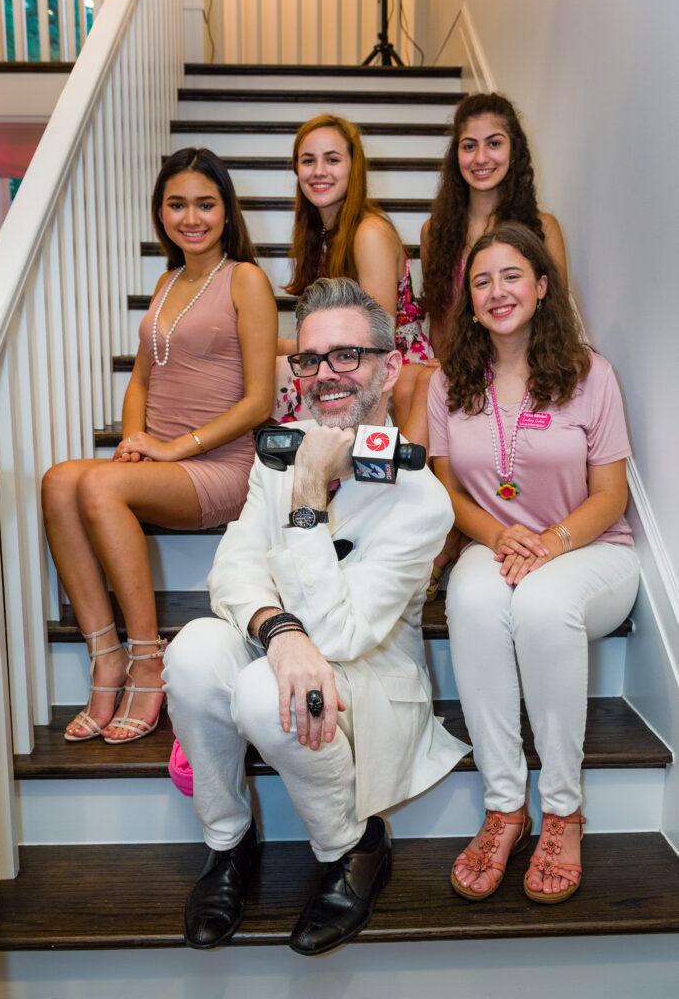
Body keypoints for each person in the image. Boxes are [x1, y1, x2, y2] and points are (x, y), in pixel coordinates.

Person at [164, 276, 469, 954]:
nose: (325, 374)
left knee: (263, 689)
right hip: (283, 645)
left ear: (390, 367)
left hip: (367, 674)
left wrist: (307, 496)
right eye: (309, 358)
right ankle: (228, 843)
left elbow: (339, 635)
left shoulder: (422, 501)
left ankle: (352, 845)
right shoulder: (280, 450)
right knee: (191, 651)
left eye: (347, 356)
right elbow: (232, 570)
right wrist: (278, 632)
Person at [427, 222, 639, 903]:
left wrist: (550, 544)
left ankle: (564, 810)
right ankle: (505, 808)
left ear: (543, 287)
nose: (497, 291)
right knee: (471, 599)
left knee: (544, 606)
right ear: (469, 300)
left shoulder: (590, 374)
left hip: (591, 552)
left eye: (512, 276)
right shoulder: (448, 381)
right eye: (482, 281)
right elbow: (445, 490)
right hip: (495, 547)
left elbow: (611, 496)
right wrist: (499, 536)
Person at [41, 147, 278, 744]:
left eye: (205, 204)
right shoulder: (167, 281)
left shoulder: (245, 280)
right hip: (164, 459)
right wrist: (133, 441)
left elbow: (259, 403)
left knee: (96, 485)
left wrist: (176, 448)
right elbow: (142, 381)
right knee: (58, 481)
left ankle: (148, 663)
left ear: (227, 211)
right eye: (177, 204)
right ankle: (107, 658)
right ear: (160, 211)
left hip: (221, 465)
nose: (190, 218)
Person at [405, 92, 569, 596]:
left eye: (494, 143)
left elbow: (556, 317)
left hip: (520, 368)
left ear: (514, 150)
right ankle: (432, 532)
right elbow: (440, 323)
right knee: (424, 381)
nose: (480, 157)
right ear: (455, 155)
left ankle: (439, 544)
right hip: (461, 367)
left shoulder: (542, 228)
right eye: (468, 145)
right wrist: (449, 370)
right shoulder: (435, 231)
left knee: (427, 386)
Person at [274, 114, 431, 425]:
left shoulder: (369, 233)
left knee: (267, 378)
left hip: (385, 372)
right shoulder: (321, 234)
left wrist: (280, 346)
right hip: (343, 362)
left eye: (332, 159)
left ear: (353, 167)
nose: (319, 171)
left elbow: (374, 342)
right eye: (308, 160)